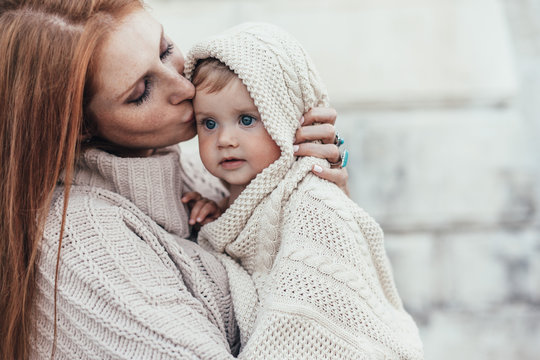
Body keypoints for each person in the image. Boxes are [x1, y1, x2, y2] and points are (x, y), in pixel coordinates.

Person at [0, 1, 348, 359]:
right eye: (140, 92)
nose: (184, 87)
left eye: (165, 50)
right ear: (82, 128)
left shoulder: (195, 172)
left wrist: (315, 196)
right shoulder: (81, 245)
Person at [185, 23, 424, 359]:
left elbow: (317, 306)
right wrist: (218, 215)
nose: (225, 139)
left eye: (247, 119)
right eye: (209, 123)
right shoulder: (228, 198)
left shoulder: (311, 197)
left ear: (284, 118)